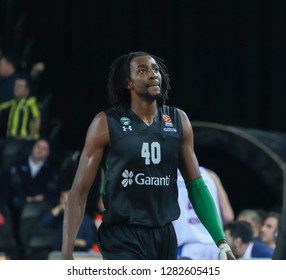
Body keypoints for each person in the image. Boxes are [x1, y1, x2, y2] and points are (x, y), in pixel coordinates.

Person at [61, 51, 235, 260]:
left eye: (155, 70)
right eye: (143, 71)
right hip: (122, 234)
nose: (153, 75)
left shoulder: (179, 120)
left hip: (165, 234)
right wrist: (66, 252)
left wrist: (221, 241)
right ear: (128, 83)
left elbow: (196, 186)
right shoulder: (106, 123)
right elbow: (79, 191)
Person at [173, 166, 234, 259]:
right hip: (215, 245)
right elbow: (228, 216)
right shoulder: (211, 175)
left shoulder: (167, 174)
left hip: (187, 247)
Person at [0, 72, 41, 141]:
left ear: (26, 90)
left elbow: (37, 119)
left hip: (23, 140)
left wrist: (29, 137)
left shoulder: (30, 102)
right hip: (10, 138)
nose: (16, 88)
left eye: (19, 86)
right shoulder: (12, 102)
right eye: (15, 86)